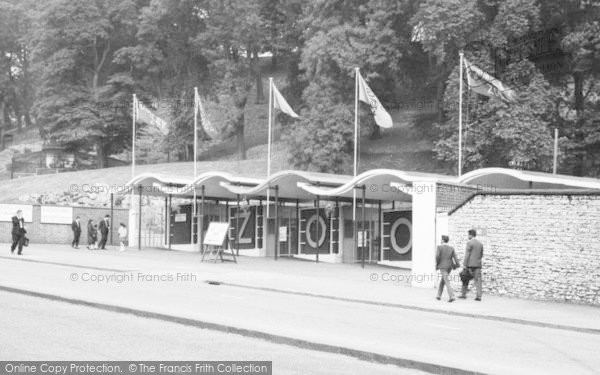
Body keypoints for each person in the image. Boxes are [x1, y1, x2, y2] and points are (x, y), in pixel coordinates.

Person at [459, 229, 484, 301]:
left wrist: (464, 264)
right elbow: (481, 254)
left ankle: (463, 294)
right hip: (478, 264)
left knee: (465, 278)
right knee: (478, 280)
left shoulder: (469, 243)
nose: (468, 236)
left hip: (470, 265)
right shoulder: (480, 244)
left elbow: (467, 255)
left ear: (471, 235)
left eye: (468, 235)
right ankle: (479, 296)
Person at [436, 235, 459, 302]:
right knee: (443, 280)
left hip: (442, 266)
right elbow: (455, 258)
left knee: (446, 280)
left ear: (443, 240)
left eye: (441, 239)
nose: (441, 240)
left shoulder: (439, 247)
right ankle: (438, 295)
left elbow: (437, 257)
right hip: (449, 267)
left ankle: (451, 296)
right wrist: (457, 265)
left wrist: (437, 264)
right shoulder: (451, 248)